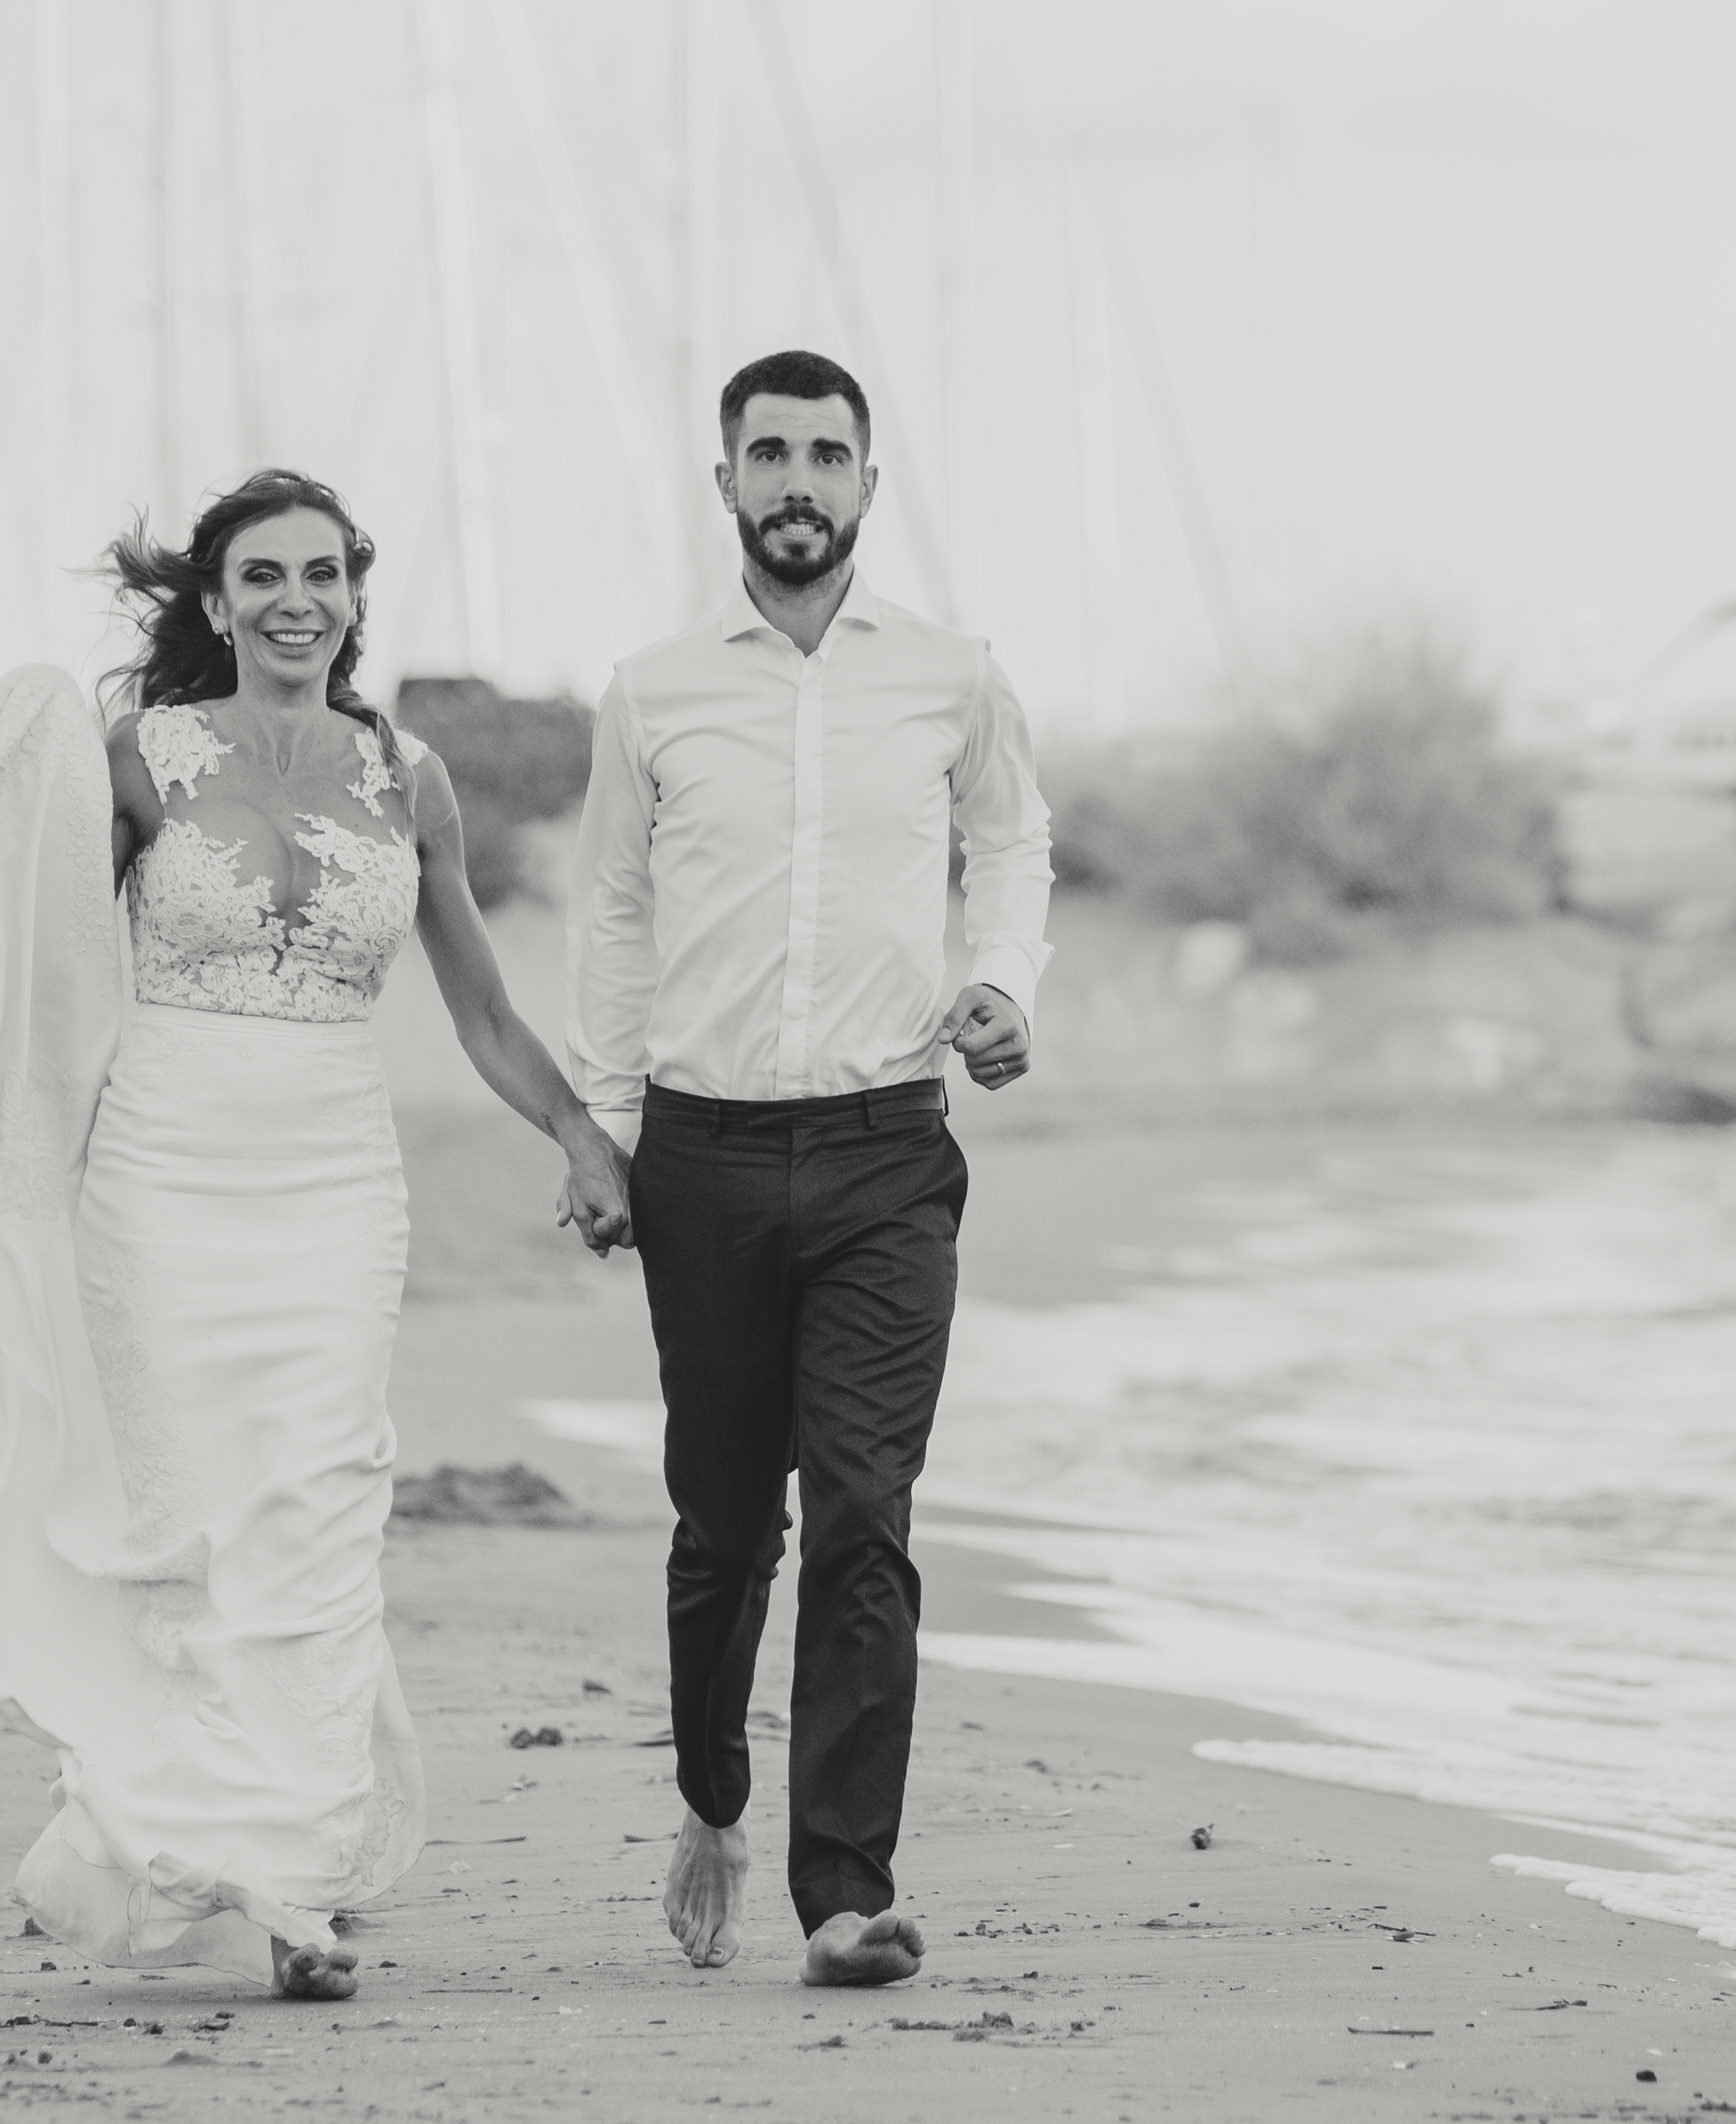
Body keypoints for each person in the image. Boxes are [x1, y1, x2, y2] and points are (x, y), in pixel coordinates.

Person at [0, 470, 626, 2001]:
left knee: (318, 1505)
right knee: (191, 1518)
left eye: (322, 574)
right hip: (159, 1176)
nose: (295, 601)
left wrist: (581, 1134)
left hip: (335, 1180)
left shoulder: (408, 777)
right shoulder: (137, 758)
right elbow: (43, 959)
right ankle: (194, 1828)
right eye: (263, 575)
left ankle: (298, 1883)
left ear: (354, 595)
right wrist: (5, 1139)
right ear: (215, 600)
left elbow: (479, 1008)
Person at [566, 350, 1052, 1988]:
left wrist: (1005, 981)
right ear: (725, 482)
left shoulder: (951, 676)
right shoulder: (650, 692)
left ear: (865, 482)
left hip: (885, 1152)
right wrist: (605, 1130)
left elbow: (1015, 839)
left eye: (824, 456)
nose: (796, 482)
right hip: (698, 1155)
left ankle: (844, 1888)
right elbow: (610, 912)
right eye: (767, 454)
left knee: (862, 1512)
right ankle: (710, 1799)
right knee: (723, 1529)